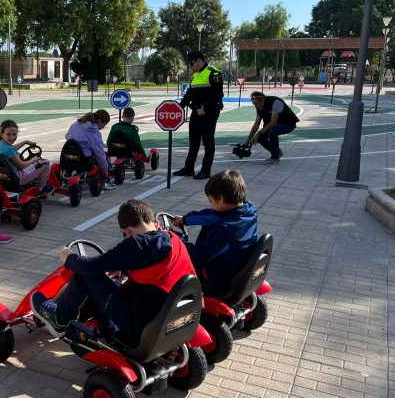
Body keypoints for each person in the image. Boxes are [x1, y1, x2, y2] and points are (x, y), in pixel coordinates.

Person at [31, 199, 197, 341]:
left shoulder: (135, 244)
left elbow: (90, 266)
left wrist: (69, 258)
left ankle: (59, 319)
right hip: (171, 317)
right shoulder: (173, 239)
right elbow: (152, 266)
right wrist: (125, 268)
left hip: (139, 325)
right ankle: (105, 326)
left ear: (127, 231)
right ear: (155, 223)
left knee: (85, 275)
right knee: (112, 286)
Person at [173, 170, 257, 297]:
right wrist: (185, 219)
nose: (211, 206)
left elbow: (197, 256)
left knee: (179, 269)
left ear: (221, 199)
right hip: (239, 264)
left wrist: (177, 241)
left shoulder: (226, 230)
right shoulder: (249, 210)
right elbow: (213, 215)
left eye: (211, 201)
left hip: (219, 279)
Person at [174, 51, 224, 180]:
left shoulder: (213, 72)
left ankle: (206, 170)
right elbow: (190, 93)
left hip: (210, 111)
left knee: (208, 141)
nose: (190, 66)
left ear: (199, 61)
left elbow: (217, 94)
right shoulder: (195, 75)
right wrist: (180, 106)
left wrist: (204, 107)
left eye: (191, 63)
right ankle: (188, 168)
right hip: (196, 110)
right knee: (194, 140)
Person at [0, 120, 52, 193]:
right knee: (45, 163)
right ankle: (40, 188)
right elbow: (22, 165)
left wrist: (25, 142)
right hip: (17, 178)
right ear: (2, 134)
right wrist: (34, 159)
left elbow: (12, 149)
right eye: (8, 134)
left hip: (5, 178)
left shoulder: (1, 144)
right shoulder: (9, 150)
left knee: (33, 163)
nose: (12, 137)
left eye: (14, 134)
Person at [65, 110, 115, 190]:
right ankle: (104, 181)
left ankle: (67, 177)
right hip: (84, 159)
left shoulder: (76, 124)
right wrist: (105, 171)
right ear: (99, 121)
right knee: (102, 156)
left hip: (67, 155)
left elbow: (67, 136)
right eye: (104, 124)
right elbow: (99, 153)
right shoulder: (94, 132)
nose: (103, 127)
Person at [246, 91, 300, 165]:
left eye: (257, 104)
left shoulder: (275, 102)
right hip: (276, 125)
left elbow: (273, 122)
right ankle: (277, 152)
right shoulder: (259, 107)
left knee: (272, 132)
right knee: (260, 137)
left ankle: (275, 158)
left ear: (262, 100)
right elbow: (256, 124)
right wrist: (248, 140)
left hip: (288, 123)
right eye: (254, 105)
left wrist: (258, 133)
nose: (256, 106)